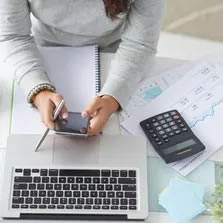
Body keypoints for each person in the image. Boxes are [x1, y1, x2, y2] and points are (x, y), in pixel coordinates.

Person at [0, 0, 165, 135]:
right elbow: (13, 36)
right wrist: (37, 90)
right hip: (43, 50)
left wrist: (113, 97)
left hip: (114, 53)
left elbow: (140, 44)